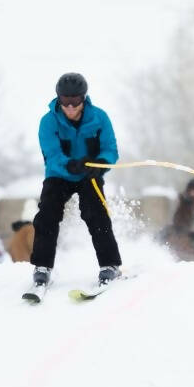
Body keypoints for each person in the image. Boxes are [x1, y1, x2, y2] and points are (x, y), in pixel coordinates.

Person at [28, 72, 122, 290]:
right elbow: (52, 153)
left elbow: (110, 150)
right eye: (65, 101)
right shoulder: (48, 121)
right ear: (58, 99)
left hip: (89, 175)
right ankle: (42, 267)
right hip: (59, 175)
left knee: (96, 213)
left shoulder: (100, 118)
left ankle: (110, 264)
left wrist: (99, 164)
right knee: (47, 215)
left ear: (84, 98)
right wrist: (70, 164)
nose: (70, 107)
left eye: (75, 101)